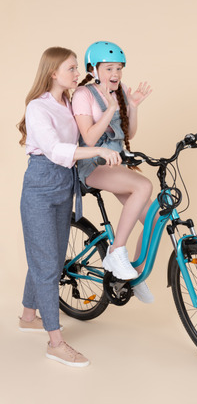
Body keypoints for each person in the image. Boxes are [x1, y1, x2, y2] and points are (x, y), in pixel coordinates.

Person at [18, 46, 122, 367]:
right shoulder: (38, 107)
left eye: (78, 68)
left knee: (49, 254)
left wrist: (111, 105)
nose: (78, 73)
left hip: (66, 182)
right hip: (40, 184)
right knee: (47, 262)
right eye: (72, 68)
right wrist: (95, 154)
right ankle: (56, 342)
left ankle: (27, 315)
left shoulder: (71, 101)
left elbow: (90, 134)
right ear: (53, 72)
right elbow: (53, 149)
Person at [72, 41, 154, 303]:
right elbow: (89, 136)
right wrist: (109, 110)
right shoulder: (82, 95)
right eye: (109, 68)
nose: (115, 74)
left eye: (118, 68)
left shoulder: (121, 91)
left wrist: (133, 106)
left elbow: (127, 134)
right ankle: (116, 251)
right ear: (93, 69)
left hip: (114, 165)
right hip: (91, 165)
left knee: (153, 219)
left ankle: (134, 275)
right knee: (143, 186)